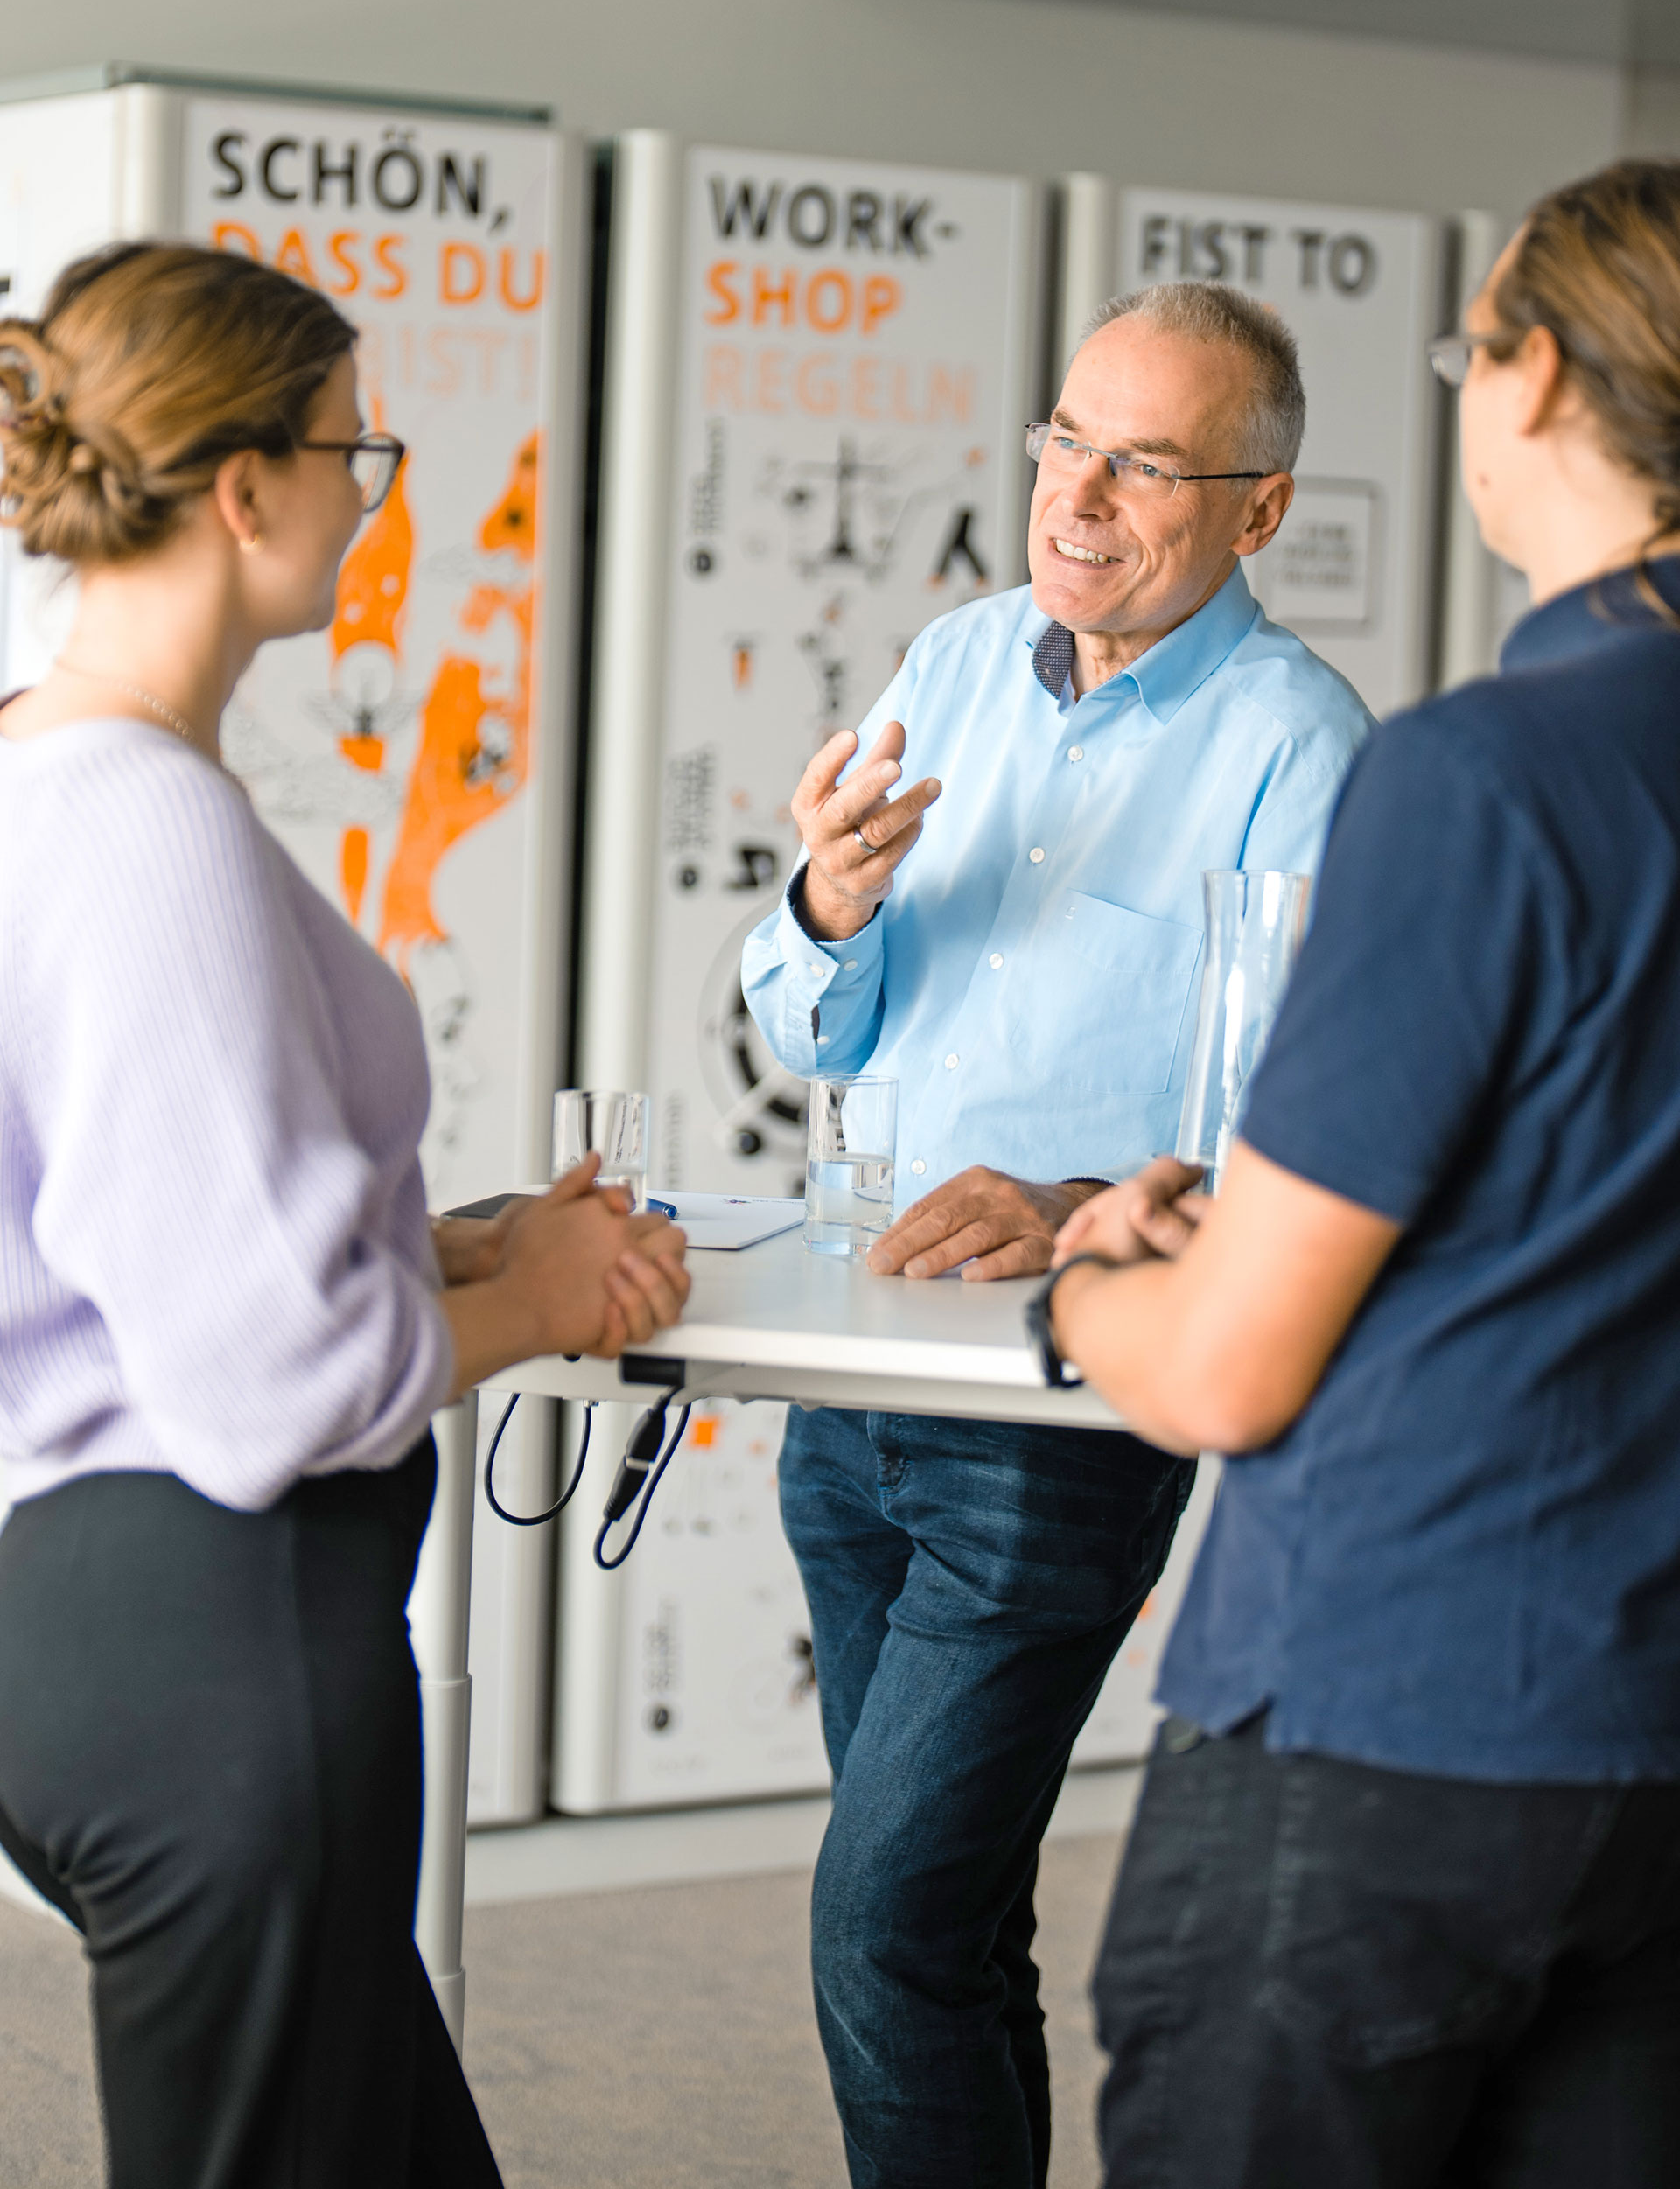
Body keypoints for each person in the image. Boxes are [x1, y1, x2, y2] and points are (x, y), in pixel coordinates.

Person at [0, 242, 690, 2189]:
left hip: (116, 1628)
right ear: (245, 490)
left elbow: (133, 1223)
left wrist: (439, 1245)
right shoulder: (152, 825)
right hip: (229, 1661)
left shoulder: (45, 772)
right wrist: (546, 1292)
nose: (366, 497)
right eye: (352, 451)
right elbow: (282, 1387)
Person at [1040, 159, 1680, 2189]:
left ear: (1537, 376)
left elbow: (1227, 1372)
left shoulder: (1480, 771)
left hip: (1399, 1717)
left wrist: (1089, 1286)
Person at [741, 283, 1372, 2189]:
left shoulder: (1302, 745)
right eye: (1066, 443)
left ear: (1257, 510)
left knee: (882, 1918)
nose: (1082, 497)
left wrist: (1076, 1200)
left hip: (1051, 1423)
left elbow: (1296, 1126)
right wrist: (827, 909)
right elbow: (804, 1022)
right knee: (939, 1924)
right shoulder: (945, 660)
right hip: (844, 1399)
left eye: (1147, 464)